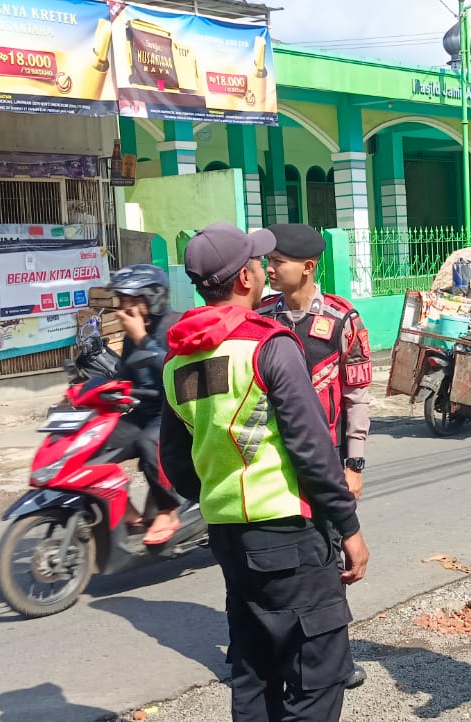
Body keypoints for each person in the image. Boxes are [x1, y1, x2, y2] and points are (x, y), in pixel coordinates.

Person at [161, 223, 368, 722]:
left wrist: (224, 487)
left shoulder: (177, 359)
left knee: (254, 671)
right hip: (290, 535)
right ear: (245, 279)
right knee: (318, 677)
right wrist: (349, 527)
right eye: (259, 262)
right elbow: (312, 449)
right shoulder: (267, 345)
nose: (265, 268)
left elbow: (176, 463)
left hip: (228, 535)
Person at [258, 224, 374, 691]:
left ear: (307, 267)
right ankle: (274, 653)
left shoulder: (343, 320)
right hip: (271, 461)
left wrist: (354, 464)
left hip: (326, 462)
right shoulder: (262, 316)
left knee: (329, 559)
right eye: (267, 261)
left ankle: (334, 661)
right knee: (279, 557)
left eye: (277, 261)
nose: (269, 269)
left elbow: (357, 396)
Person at [105, 264, 182, 544]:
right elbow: (125, 374)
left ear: (154, 298)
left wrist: (142, 338)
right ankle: (124, 508)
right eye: (123, 301)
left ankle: (168, 510)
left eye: (133, 301)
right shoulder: (131, 335)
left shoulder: (175, 326)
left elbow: (176, 372)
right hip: (142, 412)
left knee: (149, 443)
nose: (126, 309)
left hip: (172, 413)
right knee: (96, 440)